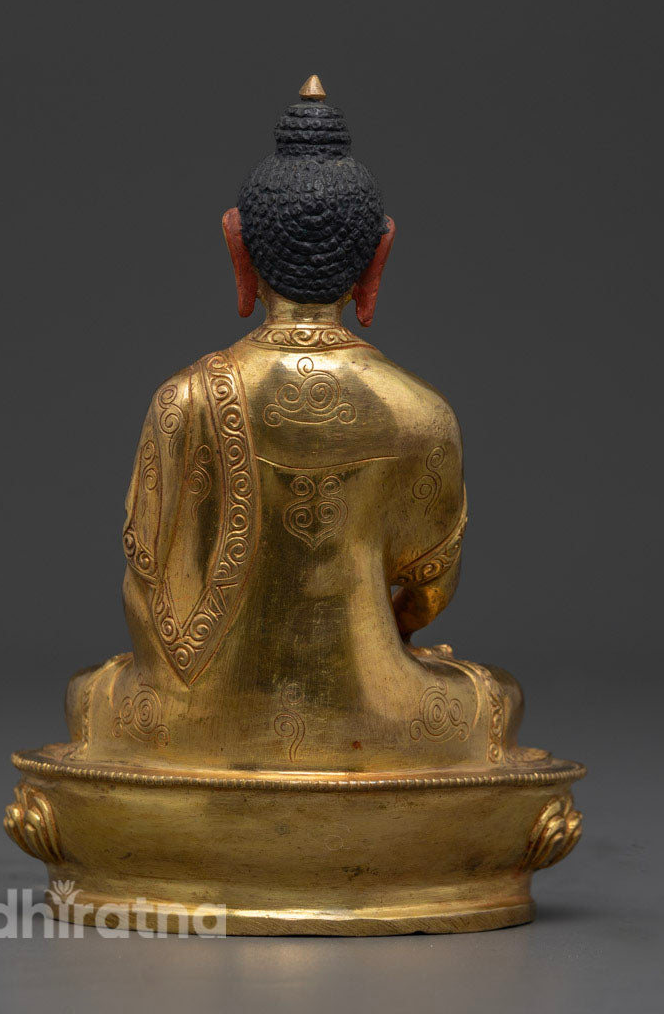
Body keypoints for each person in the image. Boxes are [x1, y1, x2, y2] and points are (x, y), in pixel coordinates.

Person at [66, 77, 522, 772]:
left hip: (191, 721)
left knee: (88, 694)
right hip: (380, 714)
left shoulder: (182, 399)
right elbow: (428, 591)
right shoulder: (421, 411)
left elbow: (144, 582)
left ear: (237, 247)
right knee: (499, 700)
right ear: (378, 256)